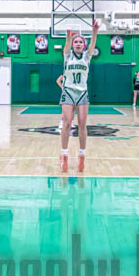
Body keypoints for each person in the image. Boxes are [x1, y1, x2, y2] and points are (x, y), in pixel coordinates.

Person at [56, 21, 99, 173]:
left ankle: (82, 156)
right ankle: (64, 155)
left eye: (81, 42)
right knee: (67, 123)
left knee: (82, 124)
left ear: (84, 45)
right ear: (73, 44)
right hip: (68, 91)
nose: (78, 44)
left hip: (82, 93)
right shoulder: (68, 55)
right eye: (76, 42)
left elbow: (93, 44)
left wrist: (94, 31)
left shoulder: (87, 56)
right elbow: (67, 45)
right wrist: (69, 36)